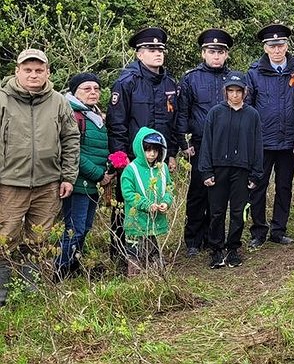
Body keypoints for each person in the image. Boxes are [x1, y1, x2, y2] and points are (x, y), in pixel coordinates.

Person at [0, 49, 79, 305]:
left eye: (39, 70)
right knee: (5, 237)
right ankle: (3, 295)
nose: (33, 75)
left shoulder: (58, 101)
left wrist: (68, 176)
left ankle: (31, 292)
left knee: (39, 238)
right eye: (28, 70)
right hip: (9, 182)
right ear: (17, 71)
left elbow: (70, 138)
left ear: (47, 72)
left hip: (48, 183)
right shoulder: (3, 99)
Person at [107, 27, 180, 262]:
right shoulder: (127, 82)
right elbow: (117, 123)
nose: (157, 53)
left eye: (160, 49)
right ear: (139, 54)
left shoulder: (169, 82)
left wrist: (172, 154)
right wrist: (120, 159)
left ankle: (150, 253)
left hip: (158, 158)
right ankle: (122, 254)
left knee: (156, 199)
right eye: (151, 49)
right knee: (128, 204)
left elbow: (174, 121)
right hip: (132, 158)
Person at [246, 23, 294, 248]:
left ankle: (278, 229)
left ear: (287, 45)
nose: (277, 49)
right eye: (272, 46)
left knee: (284, 186)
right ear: (265, 48)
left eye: (281, 44)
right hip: (262, 143)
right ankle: (258, 231)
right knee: (258, 186)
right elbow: (248, 108)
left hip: (289, 141)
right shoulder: (253, 73)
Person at [176, 28, 234, 256]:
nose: (216, 56)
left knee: (219, 193)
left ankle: (214, 237)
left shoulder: (234, 79)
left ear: (226, 54)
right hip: (200, 143)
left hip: (228, 144)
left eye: (220, 52)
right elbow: (182, 113)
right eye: (212, 51)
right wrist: (183, 142)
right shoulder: (191, 78)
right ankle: (192, 240)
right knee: (198, 192)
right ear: (203, 53)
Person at [200, 71, 262, 269]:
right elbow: (207, 143)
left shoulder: (252, 115)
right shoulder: (215, 113)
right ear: (225, 92)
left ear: (245, 92)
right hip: (218, 170)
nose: (234, 95)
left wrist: (255, 174)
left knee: (238, 212)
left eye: (238, 91)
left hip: (242, 170)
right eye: (231, 91)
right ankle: (216, 249)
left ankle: (233, 248)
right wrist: (206, 171)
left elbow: (257, 146)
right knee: (217, 211)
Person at [55, 72, 113, 278]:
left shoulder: (94, 114)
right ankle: (60, 270)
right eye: (87, 89)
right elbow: (74, 152)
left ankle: (73, 265)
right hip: (77, 182)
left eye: (96, 88)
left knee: (85, 227)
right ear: (75, 92)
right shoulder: (72, 113)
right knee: (74, 229)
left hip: (92, 183)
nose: (93, 92)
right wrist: (99, 174)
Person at [120, 128, 174, 276]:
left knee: (152, 250)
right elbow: (128, 193)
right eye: (148, 150)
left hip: (153, 220)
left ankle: (156, 277)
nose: (152, 154)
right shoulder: (131, 169)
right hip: (136, 221)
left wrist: (166, 202)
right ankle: (135, 280)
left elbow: (169, 187)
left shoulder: (162, 168)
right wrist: (146, 204)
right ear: (140, 149)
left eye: (155, 150)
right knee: (134, 253)